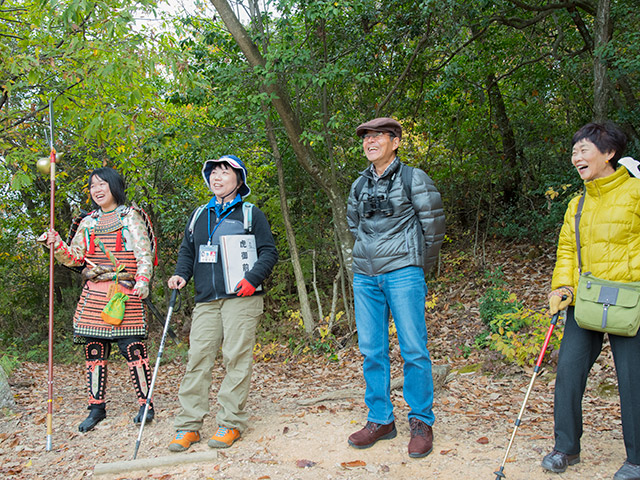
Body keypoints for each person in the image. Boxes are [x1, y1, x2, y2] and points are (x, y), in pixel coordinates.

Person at [542, 122, 640, 480]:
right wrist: (562, 287)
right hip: (587, 300)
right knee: (568, 372)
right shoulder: (578, 203)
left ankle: (636, 459)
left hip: (631, 300)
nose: (576, 157)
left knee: (633, 379)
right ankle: (565, 448)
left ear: (609, 153)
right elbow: (568, 249)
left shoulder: (636, 192)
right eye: (574, 151)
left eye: (584, 150)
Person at [346, 117, 445, 458]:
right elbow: (353, 223)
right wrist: (366, 257)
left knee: (414, 349)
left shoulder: (413, 178)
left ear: (396, 141)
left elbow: (433, 227)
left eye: (377, 136)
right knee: (371, 350)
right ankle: (380, 420)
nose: (369, 142)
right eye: (366, 138)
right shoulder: (359, 184)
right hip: (365, 276)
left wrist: (418, 267)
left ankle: (421, 420)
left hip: (404, 272)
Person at [167, 155, 278, 452]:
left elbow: (269, 252)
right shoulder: (199, 215)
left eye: (224, 172)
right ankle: (188, 425)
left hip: (242, 297)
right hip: (206, 299)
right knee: (198, 359)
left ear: (238, 180)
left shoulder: (251, 213)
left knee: (235, 358)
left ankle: (230, 422)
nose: (217, 177)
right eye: (213, 173)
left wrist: (252, 279)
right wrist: (180, 275)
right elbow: (187, 251)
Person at [40, 167, 155, 432]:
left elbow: (143, 254)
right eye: (93, 186)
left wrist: (143, 280)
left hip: (125, 291)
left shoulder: (131, 217)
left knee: (134, 349)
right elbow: (74, 258)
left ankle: (145, 404)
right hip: (95, 293)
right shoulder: (88, 221)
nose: (97, 190)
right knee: (94, 350)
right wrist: (55, 243)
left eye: (102, 184)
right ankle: (96, 408)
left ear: (115, 186)